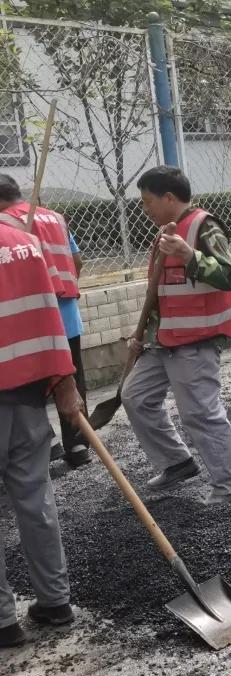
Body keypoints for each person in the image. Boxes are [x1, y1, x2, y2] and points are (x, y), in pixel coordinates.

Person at [122, 166, 231, 505]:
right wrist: (143, 333)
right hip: (162, 341)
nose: (145, 209)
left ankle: (227, 486)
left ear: (169, 198)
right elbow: (162, 293)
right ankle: (177, 462)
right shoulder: (165, 233)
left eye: (147, 201)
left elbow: (228, 275)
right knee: (135, 396)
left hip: (194, 341)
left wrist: (189, 255)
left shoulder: (204, 226)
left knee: (200, 413)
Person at [0, 219, 84, 646]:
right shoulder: (26, 244)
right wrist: (65, 382)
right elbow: (51, 319)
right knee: (36, 499)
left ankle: (3, 622)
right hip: (27, 399)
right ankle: (55, 601)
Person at [0, 176, 89, 469]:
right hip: (67, 315)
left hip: (32, 320)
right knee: (72, 379)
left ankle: (47, 444)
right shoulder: (55, 218)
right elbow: (77, 261)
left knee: (33, 385)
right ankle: (78, 444)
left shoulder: (6, 225)